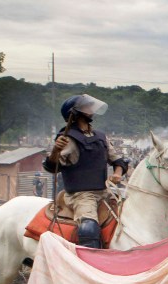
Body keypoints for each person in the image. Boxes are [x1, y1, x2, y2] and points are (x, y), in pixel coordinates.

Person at [41, 94, 129, 249]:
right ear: (75, 113)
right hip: (81, 195)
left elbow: (117, 160)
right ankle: (89, 262)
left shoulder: (100, 136)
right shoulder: (68, 138)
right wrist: (56, 149)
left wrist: (117, 173)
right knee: (89, 228)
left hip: (105, 190)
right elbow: (51, 167)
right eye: (86, 107)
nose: (91, 109)